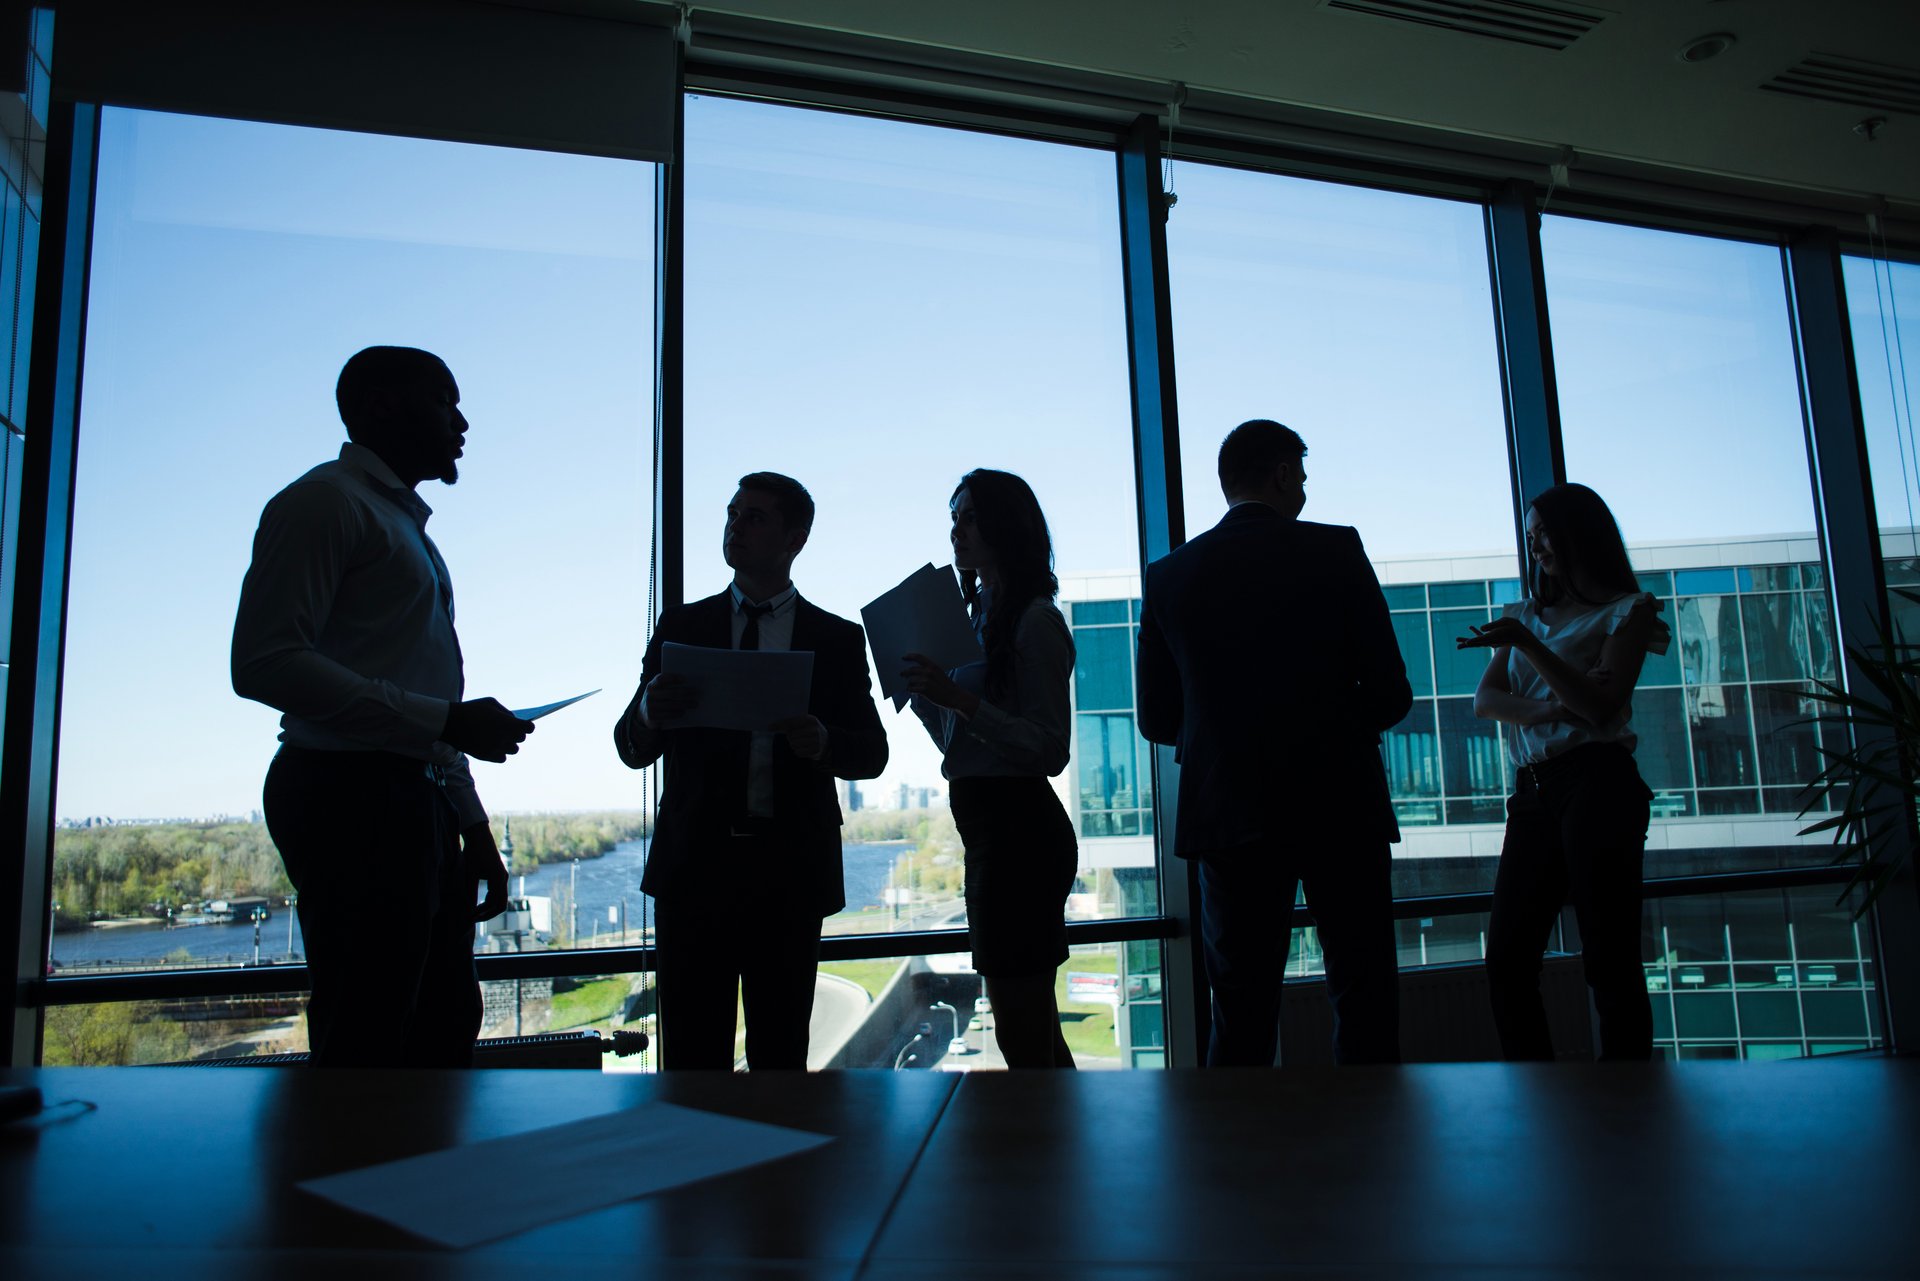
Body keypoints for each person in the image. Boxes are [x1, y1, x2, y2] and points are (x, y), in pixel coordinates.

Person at [232, 345, 534, 1068]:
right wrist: (446, 722)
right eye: (445, 401)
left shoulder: (400, 527)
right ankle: (348, 1174)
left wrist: (472, 824)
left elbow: (431, 694)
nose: (463, 421)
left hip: (409, 798)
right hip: (351, 797)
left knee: (440, 1019)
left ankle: (416, 1176)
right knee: (370, 1027)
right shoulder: (323, 503)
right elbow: (264, 661)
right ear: (381, 408)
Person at [1135, 420, 1410, 1067]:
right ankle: (1373, 1154)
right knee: (1363, 997)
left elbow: (1155, 716)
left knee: (1240, 1010)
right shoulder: (1337, 552)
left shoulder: (1170, 576)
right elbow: (1392, 691)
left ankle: (1239, 1160)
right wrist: (1330, 728)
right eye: (1303, 477)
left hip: (1227, 808)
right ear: (1283, 474)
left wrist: (1225, 735)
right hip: (1340, 802)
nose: (1306, 492)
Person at [615, 473, 887, 1070]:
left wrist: (823, 742)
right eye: (732, 514)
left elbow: (872, 752)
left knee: (781, 1057)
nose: (735, 526)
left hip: (788, 873)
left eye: (754, 517)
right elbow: (630, 748)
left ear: (796, 538)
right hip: (695, 873)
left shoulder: (836, 639)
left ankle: (782, 1168)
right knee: (689, 1059)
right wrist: (647, 713)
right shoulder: (682, 628)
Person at [1458, 482, 1670, 1061]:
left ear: (1582, 535)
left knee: (1609, 956)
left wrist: (1530, 646)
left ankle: (1626, 1100)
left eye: (1546, 534)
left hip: (1597, 781)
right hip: (1533, 790)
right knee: (1506, 958)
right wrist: (1554, 707)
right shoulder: (1526, 613)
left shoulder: (1627, 612)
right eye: (1531, 538)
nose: (1538, 548)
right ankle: (1539, 1096)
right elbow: (1486, 701)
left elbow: (1602, 708)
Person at [903, 469, 1078, 1069]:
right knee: (1024, 1026)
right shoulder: (977, 623)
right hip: (987, 831)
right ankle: (1057, 1149)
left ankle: (1054, 1150)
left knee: (1023, 1026)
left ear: (1007, 525)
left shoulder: (1035, 622)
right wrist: (927, 695)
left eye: (970, 516)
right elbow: (960, 746)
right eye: (953, 517)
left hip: (1020, 833)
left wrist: (960, 701)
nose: (957, 529)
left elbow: (1050, 749)